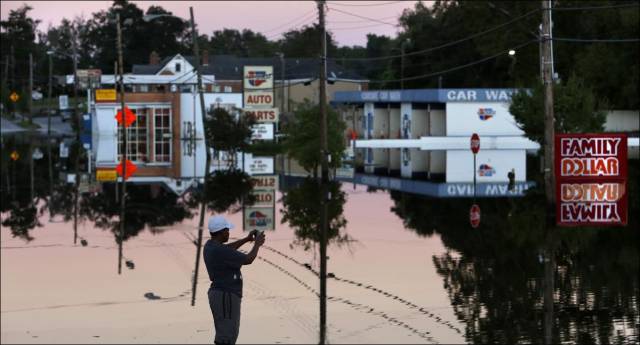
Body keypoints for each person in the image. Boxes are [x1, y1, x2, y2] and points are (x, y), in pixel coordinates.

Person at [203, 215, 265, 345]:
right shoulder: (219, 250)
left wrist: (247, 239)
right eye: (227, 230)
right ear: (221, 232)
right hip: (226, 295)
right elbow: (248, 259)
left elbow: (227, 249)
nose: (229, 233)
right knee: (227, 337)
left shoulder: (210, 245)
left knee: (225, 335)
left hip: (221, 294)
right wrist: (257, 244)